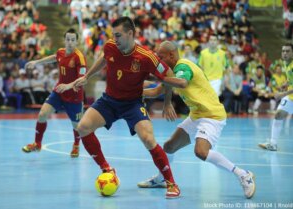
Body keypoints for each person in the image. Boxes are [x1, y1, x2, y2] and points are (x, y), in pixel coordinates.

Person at [73, 17, 180, 199]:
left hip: (133, 103)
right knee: (83, 127)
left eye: (118, 35)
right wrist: (88, 76)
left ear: (130, 33)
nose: (114, 39)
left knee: (147, 138)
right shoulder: (110, 46)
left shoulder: (146, 57)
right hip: (109, 101)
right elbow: (104, 58)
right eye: (113, 35)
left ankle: (171, 182)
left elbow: (168, 75)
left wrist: (168, 101)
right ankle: (107, 168)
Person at [137, 41, 256, 199]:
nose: (158, 59)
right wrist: (133, 91)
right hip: (197, 115)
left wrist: (160, 78)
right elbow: (157, 90)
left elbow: (183, 82)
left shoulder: (183, 66)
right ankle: (161, 179)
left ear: (171, 55)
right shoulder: (171, 73)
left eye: (161, 56)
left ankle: (243, 174)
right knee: (169, 146)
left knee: (201, 152)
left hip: (211, 115)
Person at [22, 28, 87, 158]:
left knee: (76, 126)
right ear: (64, 40)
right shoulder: (61, 52)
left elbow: (83, 80)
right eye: (67, 39)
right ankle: (37, 144)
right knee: (42, 114)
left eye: (72, 40)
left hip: (74, 96)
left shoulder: (80, 58)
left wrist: (68, 86)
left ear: (76, 41)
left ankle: (76, 145)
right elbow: (54, 57)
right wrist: (37, 62)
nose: (70, 42)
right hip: (59, 93)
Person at [259, 43, 293, 151]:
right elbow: (291, 78)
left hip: (288, 94)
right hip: (291, 97)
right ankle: (273, 144)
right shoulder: (285, 63)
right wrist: (286, 83)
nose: (285, 53)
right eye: (283, 51)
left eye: (288, 51)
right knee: (278, 114)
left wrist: (283, 94)